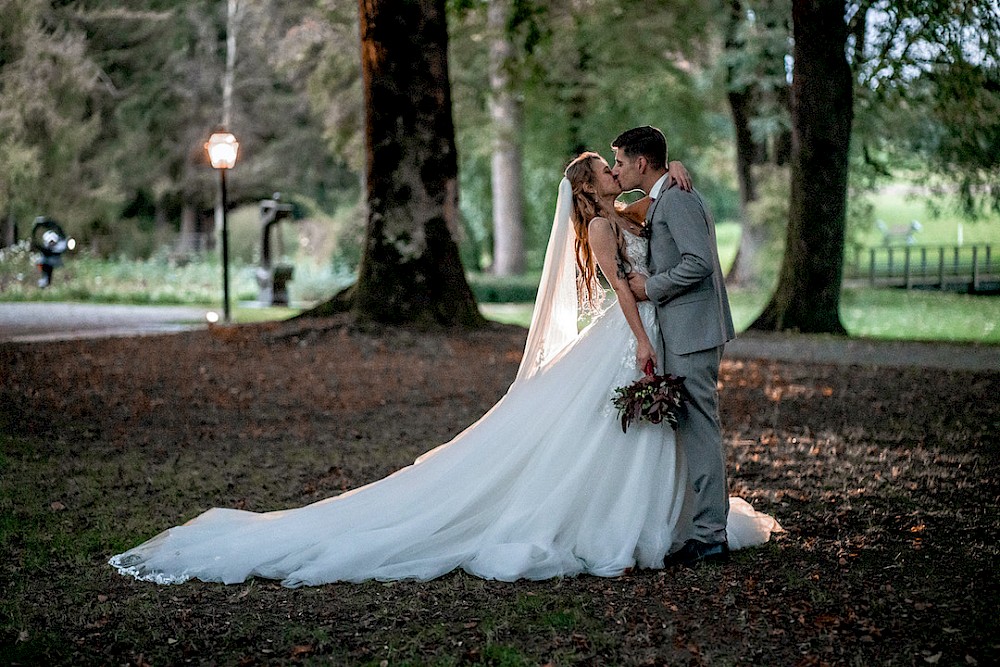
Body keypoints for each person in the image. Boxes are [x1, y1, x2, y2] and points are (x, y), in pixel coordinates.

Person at [109, 152, 778, 588]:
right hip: (631, 335)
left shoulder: (624, 210)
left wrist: (677, 170)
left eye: (615, 163)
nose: (613, 169)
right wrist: (640, 342)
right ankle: (632, 523)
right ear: (586, 186)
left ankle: (678, 521)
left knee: (645, 433)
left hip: (652, 329)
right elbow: (623, 288)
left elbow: (659, 209)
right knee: (606, 434)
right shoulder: (601, 229)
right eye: (605, 167)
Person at [611, 126, 737, 567]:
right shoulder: (668, 193)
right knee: (694, 429)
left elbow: (699, 263)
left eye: (622, 162)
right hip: (685, 330)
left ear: (641, 163)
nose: (618, 170)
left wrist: (651, 287)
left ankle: (710, 537)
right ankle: (702, 528)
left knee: (701, 431)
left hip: (693, 331)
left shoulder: (678, 199)